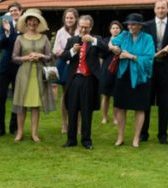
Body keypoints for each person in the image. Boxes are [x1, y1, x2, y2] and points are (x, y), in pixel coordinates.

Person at [61, 15, 108, 149]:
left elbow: (106, 50)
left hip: (89, 79)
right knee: (72, 109)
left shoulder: (96, 40)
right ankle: (71, 140)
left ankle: (86, 140)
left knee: (87, 111)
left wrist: (93, 40)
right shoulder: (72, 40)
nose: (83, 29)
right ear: (78, 26)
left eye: (86, 27)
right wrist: (72, 51)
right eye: (81, 26)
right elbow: (63, 57)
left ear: (91, 27)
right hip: (75, 79)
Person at [107, 14, 154, 147]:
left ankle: (136, 138)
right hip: (123, 75)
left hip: (140, 78)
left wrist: (130, 56)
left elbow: (149, 59)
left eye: (133, 24)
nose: (130, 26)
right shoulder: (124, 35)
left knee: (140, 108)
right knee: (121, 107)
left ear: (140, 25)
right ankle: (120, 137)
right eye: (129, 24)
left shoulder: (147, 38)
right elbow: (112, 41)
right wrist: (113, 47)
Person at [142, 0, 168, 144]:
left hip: (166, 70)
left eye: (163, 8)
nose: (160, 10)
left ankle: (162, 134)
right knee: (146, 102)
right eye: (158, 8)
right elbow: (142, 46)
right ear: (154, 10)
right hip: (150, 68)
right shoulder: (146, 26)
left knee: (164, 103)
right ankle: (143, 133)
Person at [11, 8, 55, 142]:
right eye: (30, 20)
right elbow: (14, 57)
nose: (32, 23)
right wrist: (26, 58)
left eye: (35, 21)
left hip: (39, 75)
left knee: (35, 105)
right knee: (21, 104)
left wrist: (41, 56)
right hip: (24, 74)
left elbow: (50, 56)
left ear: (38, 23)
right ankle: (19, 132)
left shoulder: (44, 38)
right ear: (26, 22)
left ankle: (34, 134)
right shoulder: (20, 38)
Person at [0, 2, 23, 136]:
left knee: (17, 96)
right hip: (5, 66)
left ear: (21, 11)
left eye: (15, 10)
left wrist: (14, 34)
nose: (13, 13)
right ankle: (0, 127)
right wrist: (7, 32)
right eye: (11, 11)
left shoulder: (25, 26)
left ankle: (14, 125)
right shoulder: (4, 25)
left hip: (19, 66)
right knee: (1, 96)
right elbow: (1, 44)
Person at [52, 8, 79, 135]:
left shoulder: (80, 30)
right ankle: (64, 123)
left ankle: (78, 125)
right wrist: (68, 53)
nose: (69, 20)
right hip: (64, 65)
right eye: (67, 18)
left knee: (78, 95)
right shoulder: (60, 32)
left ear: (76, 19)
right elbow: (55, 50)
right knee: (65, 95)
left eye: (71, 18)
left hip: (78, 65)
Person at [99, 20, 123, 125]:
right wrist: (110, 48)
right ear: (110, 30)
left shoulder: (124, 41)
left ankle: (115, 118)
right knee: (105, 95)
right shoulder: (105, 41)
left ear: (120, 30)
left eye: (117, 28)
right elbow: (101, 54)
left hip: (119, 70)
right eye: (113, 28)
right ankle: (104, 117)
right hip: (106, 70)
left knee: (116, 96)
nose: (115, 30)